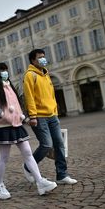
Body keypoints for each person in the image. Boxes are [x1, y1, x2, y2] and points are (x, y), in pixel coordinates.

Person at [0, 62, 57, 200]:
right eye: (2, 70)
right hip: (3, 127)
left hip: (16, 124)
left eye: (6, 70)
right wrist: (1, 114)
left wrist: (24, 117)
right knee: (4, 157)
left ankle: (40, 182)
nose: (5, 72)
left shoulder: (9, 85)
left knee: (28, 152)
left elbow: (17, 105)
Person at [22, 49, 77, 185]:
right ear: (33, 61)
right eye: (40, 57)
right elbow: (29, 97)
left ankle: (62, 175)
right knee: (46, 145)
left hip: (52, 115)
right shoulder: (30, 75)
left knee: (59, 144)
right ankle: (28, 167)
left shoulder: (46, 74)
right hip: (39, 117)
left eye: (44, 57)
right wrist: (33, 116)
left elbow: (51, 95)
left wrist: (55, 110)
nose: (43, 59)